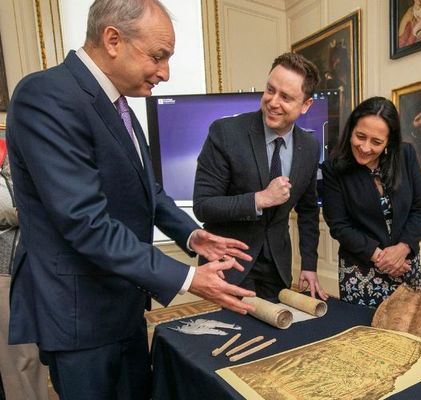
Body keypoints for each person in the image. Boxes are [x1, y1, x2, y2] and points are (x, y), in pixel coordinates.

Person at [6, 1, 256, 398]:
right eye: (158, 56)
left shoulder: (119, 104)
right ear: (112, 40)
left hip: (124, 303)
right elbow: (85, 222)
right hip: (80, 317)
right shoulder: (47, 96)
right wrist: (188, 278)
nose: (165, 72)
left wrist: (193, 237)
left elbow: (149, 191)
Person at [193, 52, 328, 300]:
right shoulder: (225, 132)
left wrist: (309, 264)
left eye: (286, 97)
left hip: (277, 268)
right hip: (229, 265)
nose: (273, 102)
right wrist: (259, 200)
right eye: (270, 90)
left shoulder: (309, 147)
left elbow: (308, 211)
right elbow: (203, 205)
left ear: (306, 105)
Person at [321, 97, 421, 307]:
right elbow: (339, 225)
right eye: (360, 136)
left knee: (405, 333)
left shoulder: (405, 155)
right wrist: (381, 258)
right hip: (361, 269)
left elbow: (420, 206)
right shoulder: (333, 168)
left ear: (389, 141)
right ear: (351, 130)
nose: (365, 147)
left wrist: (403, 248)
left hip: (404, 263)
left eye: (376, 142)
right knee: (362, 336)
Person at [0, 139, 48, 400]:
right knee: (16, 359)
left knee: (30, 355)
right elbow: (7, 206)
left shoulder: (10, 148)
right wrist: (30, 210)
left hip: (29, 267)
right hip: (4, 272)